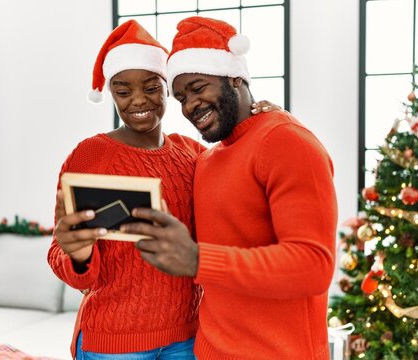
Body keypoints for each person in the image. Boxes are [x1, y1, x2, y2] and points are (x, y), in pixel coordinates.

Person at [47, 19, 278, 360]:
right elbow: (61, 254)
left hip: (186, 338)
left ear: (167, 88)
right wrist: (78, 256)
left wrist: (261, 121)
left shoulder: (194, 153)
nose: (138, 100)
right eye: (123, 92)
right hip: (113, 344)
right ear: (110, 92)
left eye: (152, 87)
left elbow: (241, 178)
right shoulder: (90, 155)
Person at [121, 16, 338, 359]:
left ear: (235, 77)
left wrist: (198, 259)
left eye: (198, 87)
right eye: (180, 97)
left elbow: (313, 266)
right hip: (209, 350)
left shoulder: (287, 142)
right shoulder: (208, 159)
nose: (189, 105)